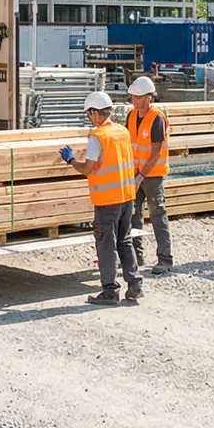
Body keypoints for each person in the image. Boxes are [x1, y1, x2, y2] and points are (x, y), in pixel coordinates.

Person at [60, 91, 141, 305]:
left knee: (106, 245)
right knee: (125, 241)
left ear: (95, 113)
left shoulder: (97, 137)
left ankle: (110, 291)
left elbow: (87, 169)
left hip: (107, 200)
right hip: (127, 197)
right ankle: (135, 284)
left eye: (89, 114)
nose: (90, 118)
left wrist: (71, 160)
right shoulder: (122, 131)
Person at [125, 75, 173, 274]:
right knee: (133, 215)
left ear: (148, 97)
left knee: (157, 215)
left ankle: (165, 259)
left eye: (138, 97)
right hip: (135, 172)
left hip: (152, 175)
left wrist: (141, 175)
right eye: (133, 97)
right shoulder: (131, 116)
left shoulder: (156, 118)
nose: (135, 101)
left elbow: (156, 152)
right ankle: (136, 256)